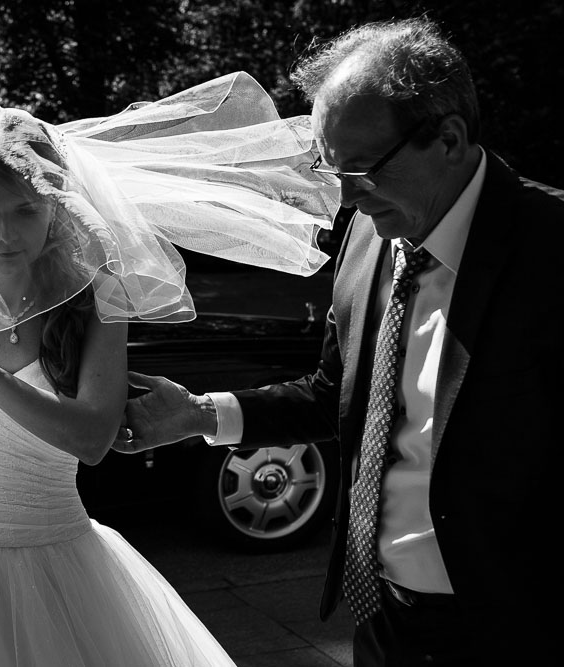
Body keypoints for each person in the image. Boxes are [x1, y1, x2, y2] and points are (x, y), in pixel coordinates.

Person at [0, 73, 337, 666]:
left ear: (56, 207)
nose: (5, 233)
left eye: (25, 211)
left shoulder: (96, 302)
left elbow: (91, 441)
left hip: (59, 566)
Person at [113, 17, 564, 667]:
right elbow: (338, 393)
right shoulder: (365, 236)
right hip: (383, 622)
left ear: (449, 139)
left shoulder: (555, 252)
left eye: (362, 171)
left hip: (517, 627)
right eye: (333, 172)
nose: (346, 200)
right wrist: (199, 413)